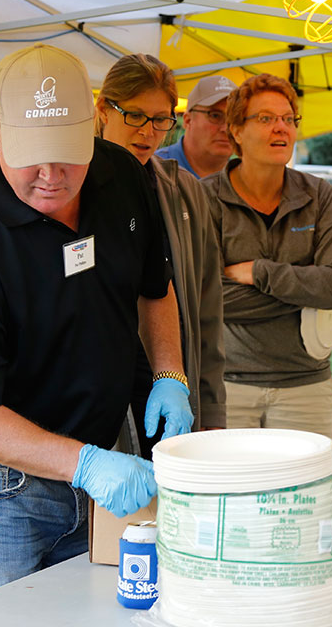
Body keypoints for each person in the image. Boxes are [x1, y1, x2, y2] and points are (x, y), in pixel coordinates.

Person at [0, 44, 192, 606]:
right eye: (32, 157)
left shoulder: (120, 175)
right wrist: (86, 464)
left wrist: (171, 373)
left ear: (93, 122)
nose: (51, 177)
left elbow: (154, 288)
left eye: (67, 155)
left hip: (96, 456)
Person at [202, 73, 332, 438]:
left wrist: (259, 272)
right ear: (236, 130)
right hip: (227, 385)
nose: (281, 129)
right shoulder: (204, 198)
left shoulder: (320, 197)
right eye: (266, 119)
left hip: (307, 386)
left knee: (304, 495)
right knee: (232, 494)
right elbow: (204, 297)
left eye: (288, 119)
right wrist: (304, 289)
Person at [95, 53, 226, 457]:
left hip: (171, 380)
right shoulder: (68, 189)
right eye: (134, 116)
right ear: (103, 108)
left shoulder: (185, 191)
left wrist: (211, 406)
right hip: (100, 391)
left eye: (161, 119)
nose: (148, 132)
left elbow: (207, 307)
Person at [154, 74, 237, 178]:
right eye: (215, 116)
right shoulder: (154, 171)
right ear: (187, 120)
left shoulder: (246, 180)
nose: (226, 128)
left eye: (234, 118)